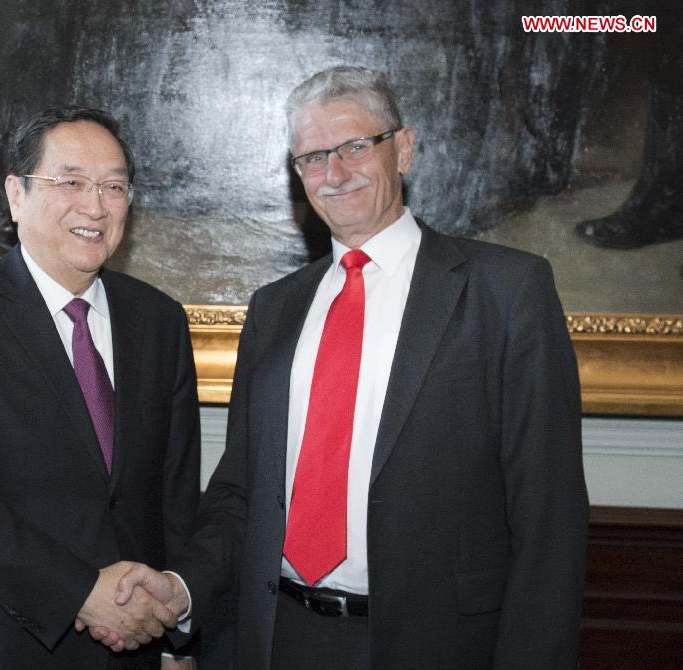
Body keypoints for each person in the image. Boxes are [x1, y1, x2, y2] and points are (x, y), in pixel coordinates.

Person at [102, 66, 590, 669]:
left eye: (356, 147)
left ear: (403, 148)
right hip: (278, 638)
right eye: (311, 157)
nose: (334, 174)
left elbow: (549, 515)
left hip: (438, 647)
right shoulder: (275, 309)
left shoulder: (506, 290)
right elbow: (239, 492)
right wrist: (183, 589)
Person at [0, 105, 200, 669]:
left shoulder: (160, 321)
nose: (94, 205)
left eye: (114, 186)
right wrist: (82, 590)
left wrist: (179, 636)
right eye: (70, 182)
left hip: (133, 644)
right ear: (16, 195)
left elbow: (175, 494)